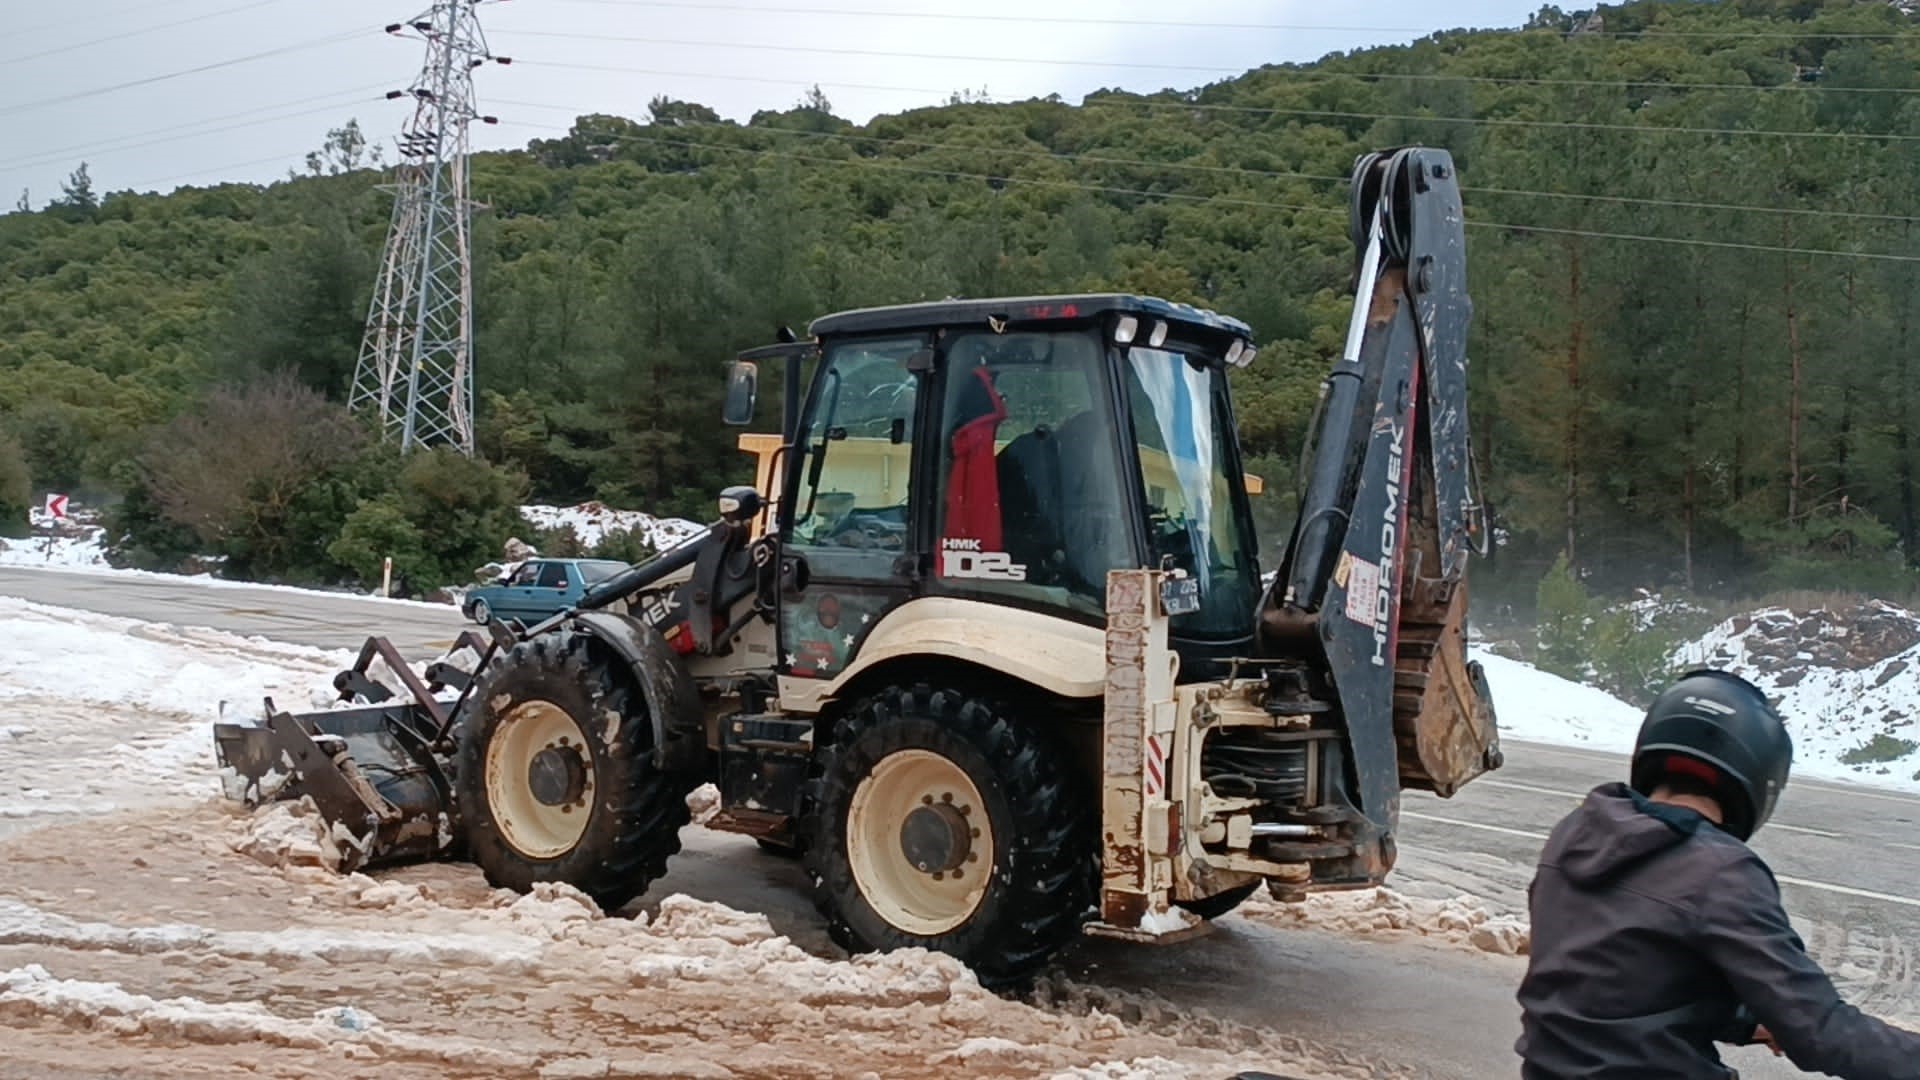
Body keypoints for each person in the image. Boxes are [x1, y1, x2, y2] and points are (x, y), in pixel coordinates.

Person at [1516, 669, 1920, 1079]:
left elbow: (1614, 983)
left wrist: (1750, 1022)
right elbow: (1822, 1033)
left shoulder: (1576, 831)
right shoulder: (1723, 871)